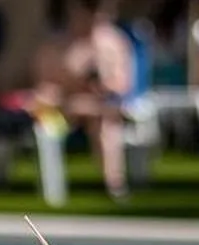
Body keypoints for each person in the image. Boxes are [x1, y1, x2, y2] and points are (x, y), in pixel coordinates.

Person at [29, 0, 137, 200]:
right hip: (64, 109)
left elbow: (123, 84)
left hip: (101, 108)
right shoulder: (56, 45)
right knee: (55, 118)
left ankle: (113, 183)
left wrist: (102, 83)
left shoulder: (114, 43)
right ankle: (53, 188)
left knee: (105, 126)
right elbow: (46, 85)